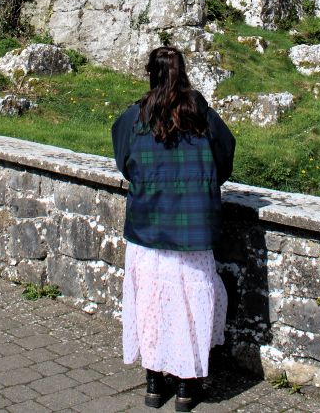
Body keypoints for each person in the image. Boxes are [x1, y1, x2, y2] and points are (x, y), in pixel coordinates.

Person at [112, 46, 236, 412]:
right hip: (192, 230)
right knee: (191, 305)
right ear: (182, 73)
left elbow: (124, 161)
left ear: (151, 74)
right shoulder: (201, 116)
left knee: (149, 303)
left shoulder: (135, 118)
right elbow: (224, 158)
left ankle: (154, 384)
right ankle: (186, 386)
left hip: (148, 227)